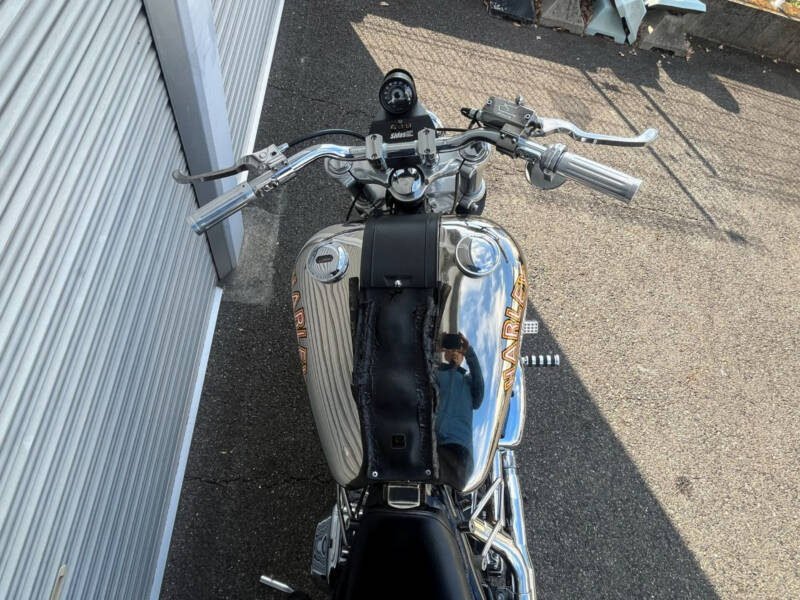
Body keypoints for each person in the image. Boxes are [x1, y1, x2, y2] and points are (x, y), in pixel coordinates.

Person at [435, 332, 484, 486]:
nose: (455, 352)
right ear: (445, 353)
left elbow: (479, 396)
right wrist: (434, 348)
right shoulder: (435, 374)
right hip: (431, 442)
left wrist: (469, 353)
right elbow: (417, 372)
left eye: (458, 350)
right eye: (451, 349)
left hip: (458, 450)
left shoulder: (468, 381)